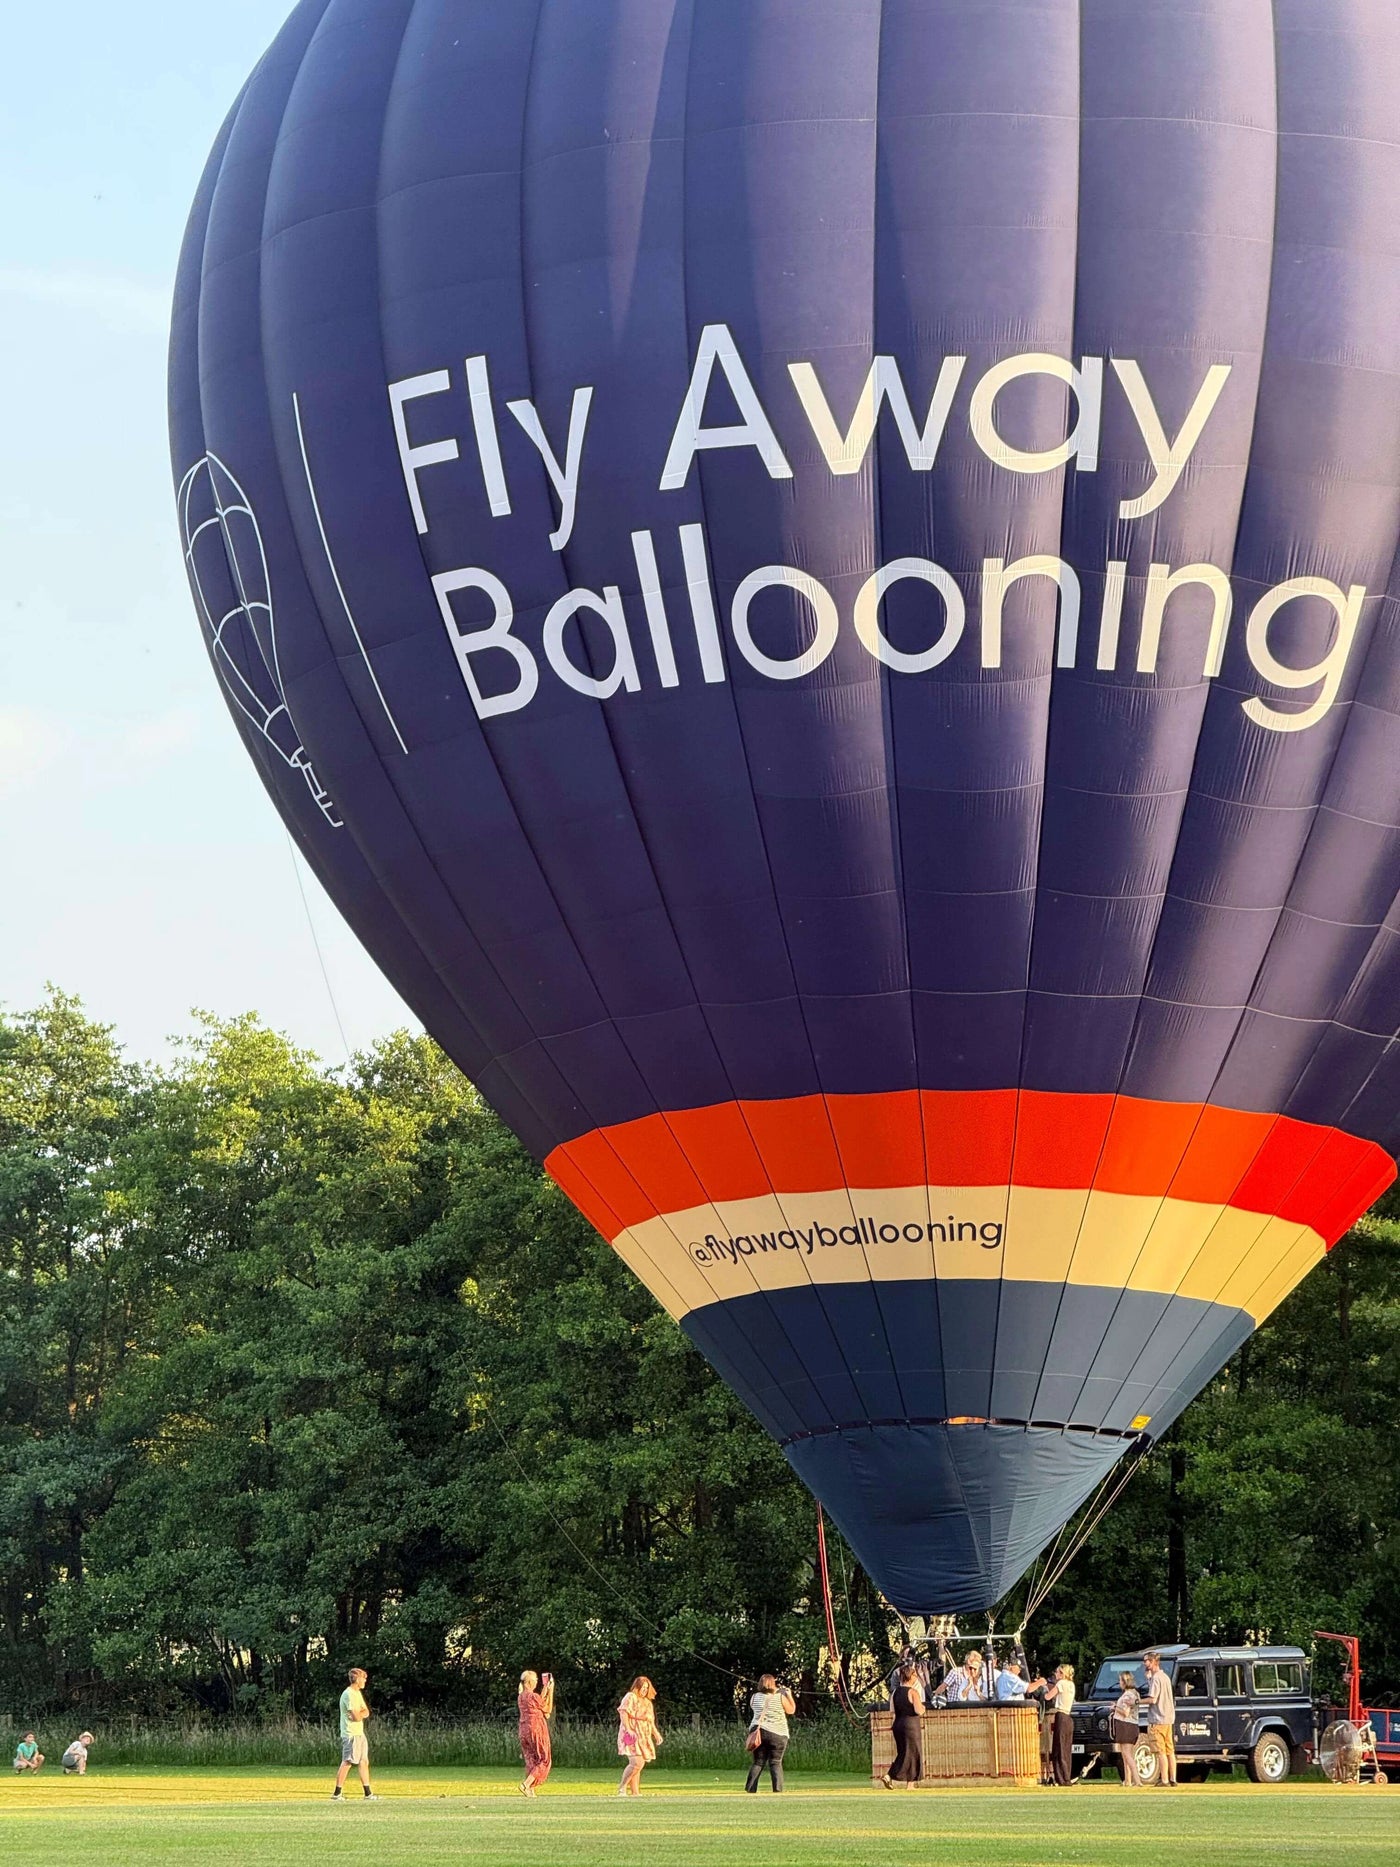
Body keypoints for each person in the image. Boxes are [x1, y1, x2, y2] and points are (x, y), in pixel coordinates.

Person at [745, 1672, 795, 1794]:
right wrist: (789, 1695)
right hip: (777, 1732)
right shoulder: (779, 1697)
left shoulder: (754, 1697)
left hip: (758, 1731)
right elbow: (791, 1710)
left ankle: (751, 1789)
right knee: (775, 1762)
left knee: (758, 1761)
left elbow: (754, 1707)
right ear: (773, 1684)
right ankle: (777, 1789)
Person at [332, 1666, 378, 1801]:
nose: (365, 1681)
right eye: (363, 1678)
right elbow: (356, 1716)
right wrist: (359, 1715)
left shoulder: (357, 1693)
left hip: (359, 1733)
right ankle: (337, 1793)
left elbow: (365, 1712)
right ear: (357, 1679)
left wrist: (360, 1714)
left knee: (364, 1761)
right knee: (347, 1761)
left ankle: (368, 1793)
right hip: (350, 1733)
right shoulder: (348, 1694)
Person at [881, 1661, 925, 1789]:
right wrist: (923, 1707)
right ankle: (908, 1783)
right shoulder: (913, 1692)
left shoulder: (894, 1693)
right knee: (913, 1753)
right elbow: (918, 1710)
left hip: (898, 1724)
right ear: (911, 1677)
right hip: (910, 1725)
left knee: (903, 1752)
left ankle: (890, 1776)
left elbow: (892, 1710)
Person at [617, 1675, 662, 1796]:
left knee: (639, 1763)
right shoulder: (630, 1697)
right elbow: (624, 1713)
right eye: (642, 1687)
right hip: (631, 1733)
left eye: (647, 1688)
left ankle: (635, 1792)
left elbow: (650, 1721)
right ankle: (622, 1787)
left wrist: (656, 1734)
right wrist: (628, 1729)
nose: (644, 1690)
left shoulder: (647, 1703)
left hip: (644, 1736)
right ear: (637, 1687)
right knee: (636, 1762)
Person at [1143, 1650, 1177, 1786]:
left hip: (1158, 1719)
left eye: (1146, 1661)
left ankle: (1164, 1779)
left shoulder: (1157, 1678)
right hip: (1168, 1718)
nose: (1144, 1663)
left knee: (1161, 1751)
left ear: (1153, 1662)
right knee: (1170, 1751)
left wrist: (1137, 1701)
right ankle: (1173, 1778)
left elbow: (1153, 1699)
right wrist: (1149, 1679)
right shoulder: (1165, 1677)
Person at [517, 1669, 554, 1795]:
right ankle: (526, 1784)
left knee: (531, 1759)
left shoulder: (521, 1697)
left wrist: (545, 1689)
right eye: (535, 1680)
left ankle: (530, 1790)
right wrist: (551, 1690)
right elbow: (547, 1709)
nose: (537, 1682)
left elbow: (539, 1702)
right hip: (536, 1729)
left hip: (523, 1730)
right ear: (529, 1682)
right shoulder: (533, 1696)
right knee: (544, 1759)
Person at [1111, 1671, 1143, 1787]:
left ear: (1125, 1682)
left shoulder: (1127, 1695)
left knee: (1127, 1754)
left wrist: (1115, 1707)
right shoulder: (1135, 1693)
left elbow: (1125, 1712)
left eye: (1120, 1680)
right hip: (1131, 1725)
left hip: (1126, 1726)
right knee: (1126, 1755)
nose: (1119, 1683)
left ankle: (1137, 1780)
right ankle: (1128, 1780)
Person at [1049, 1665, 1076, 1786]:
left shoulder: (1061, 1684)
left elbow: (1048, 1696)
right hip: (1069, 1717)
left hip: (1061, 1716)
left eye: (1057, 1672)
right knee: (1066, 1749)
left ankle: (1061, 1778)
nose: (1055, 1674)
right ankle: (1067, 1776)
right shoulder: (1071, 1685)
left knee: (1058, 1749)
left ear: (1061, 1673)